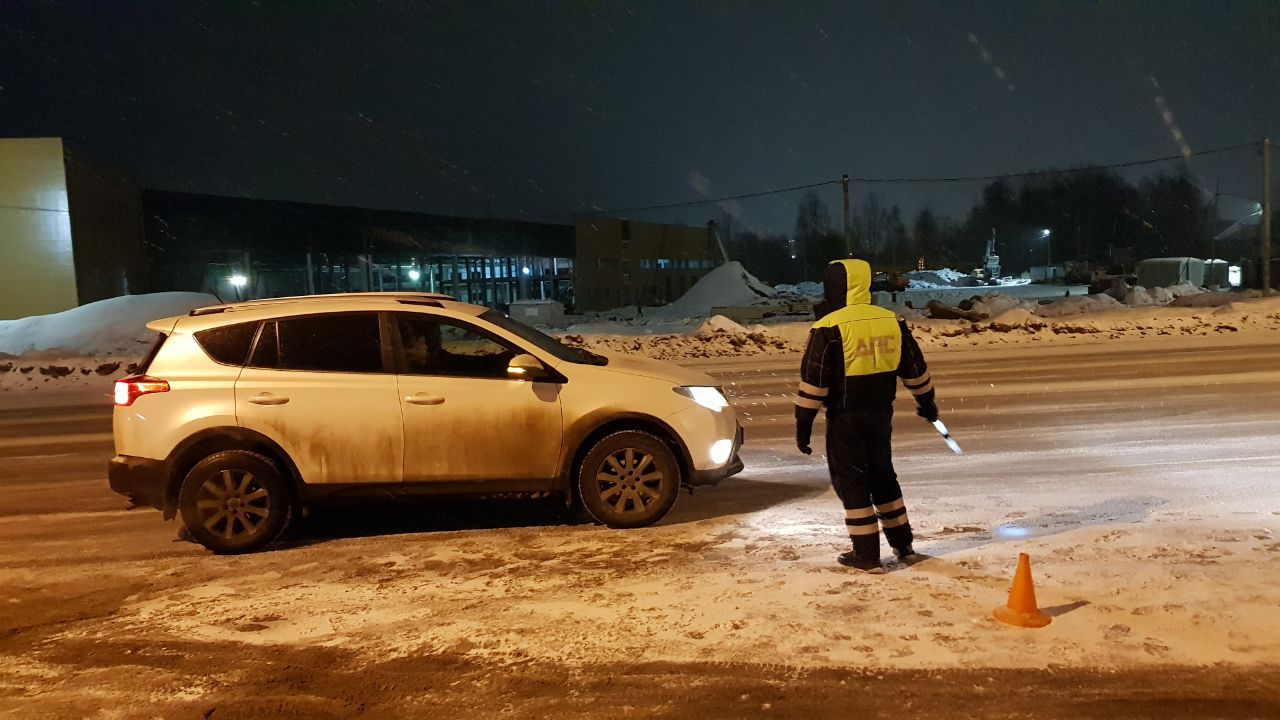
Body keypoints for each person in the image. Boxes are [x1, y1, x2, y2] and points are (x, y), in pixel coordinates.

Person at [795, 259, 938, 572]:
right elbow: (916, 370)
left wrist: (802, 426)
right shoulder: (891, 321)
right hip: (880, 415)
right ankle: (903, 545)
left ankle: (866, 555)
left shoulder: (828, 327)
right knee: (883, 476)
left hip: (845, 417)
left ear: (833, 286)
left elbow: (814, 384)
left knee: (852, 482)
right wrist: (927, 402)